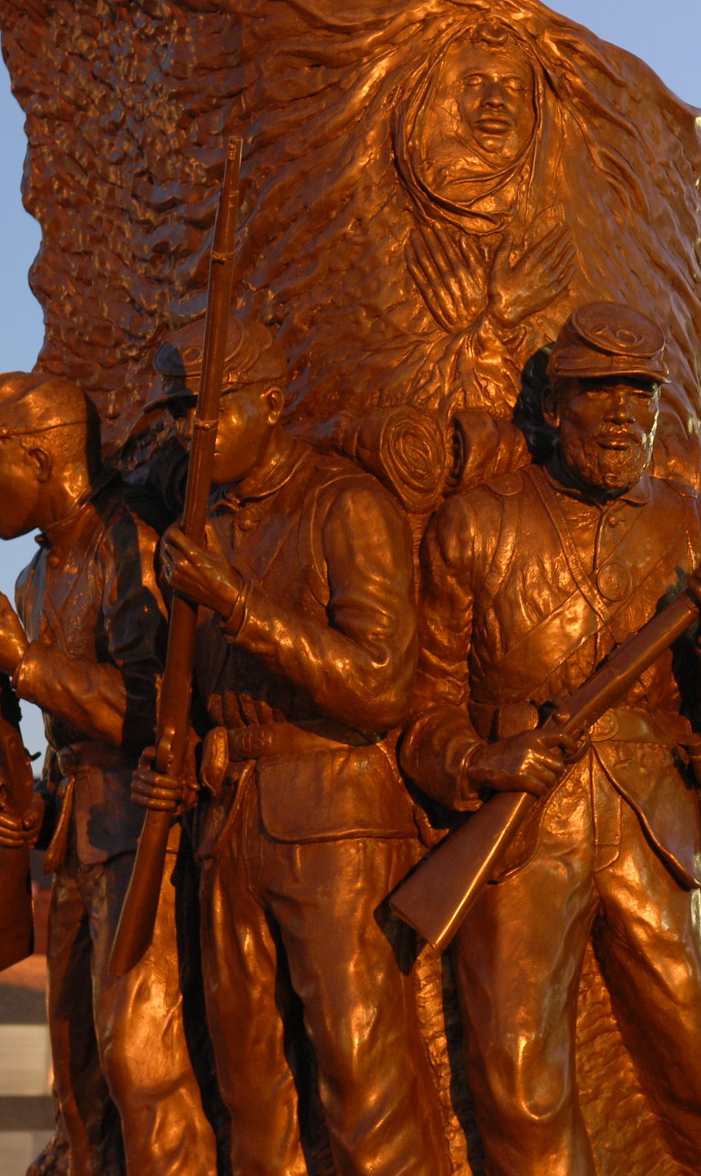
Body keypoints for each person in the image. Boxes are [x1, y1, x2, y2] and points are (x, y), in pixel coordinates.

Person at [401, 301, 701, 1176]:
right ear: (554, 409)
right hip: (522, 823)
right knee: (516, 1075)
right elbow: (426, 705)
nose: (624, 412)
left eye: (640, 392)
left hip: (652, 826)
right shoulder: (473, 525)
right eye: (600, 392)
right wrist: (479, 760)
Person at [131, 317, 450, 1176]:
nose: (187, 436)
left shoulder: (345, 505)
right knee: (247, 1083)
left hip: (333, 819)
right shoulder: (201, 524)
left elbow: (381, 687)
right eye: (175, 418)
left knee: (360, 1073)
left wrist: (237, 603)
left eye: (206, 413)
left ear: (269, 405)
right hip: (228, 821)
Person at [0, 371, 214, 1176]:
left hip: (142, 840)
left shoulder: (130, 544)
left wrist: (25, 663)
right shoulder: (31, 579)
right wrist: (25, 800)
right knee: (77, 1080)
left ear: (40, 457)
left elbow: (154, 710)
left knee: (143, 1067)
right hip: (77, 845)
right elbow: (66, 737)